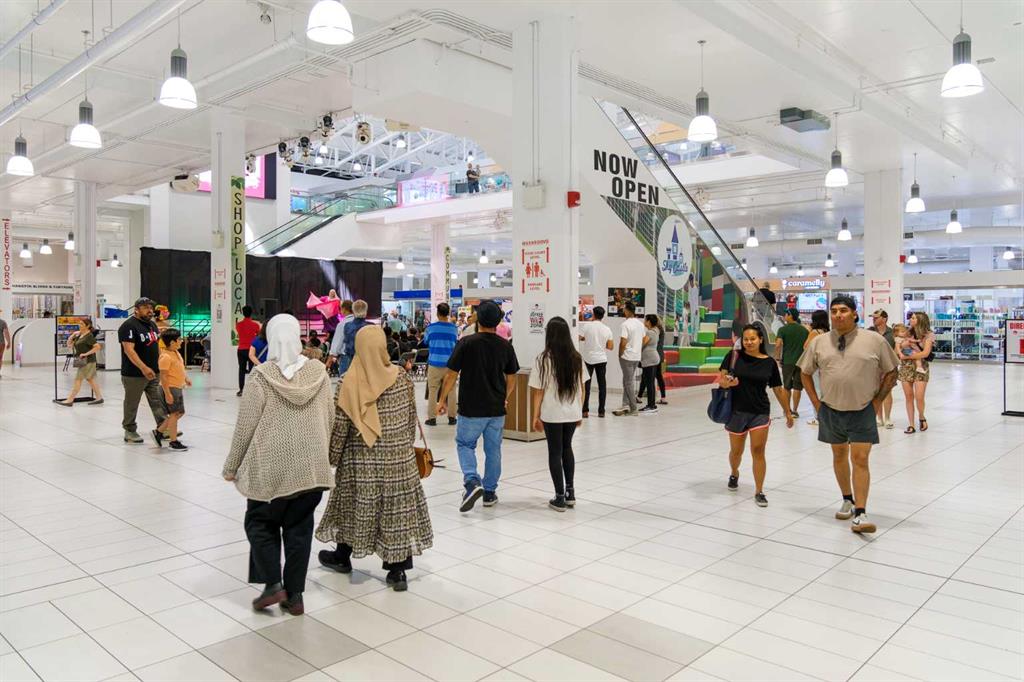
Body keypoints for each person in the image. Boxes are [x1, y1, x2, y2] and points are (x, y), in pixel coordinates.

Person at [223, 314, 334, 615]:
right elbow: (330, 416)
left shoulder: (261, 377)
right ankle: (295, 596)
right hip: (311, 469)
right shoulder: (319, 373)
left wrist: (231, 467)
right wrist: (323, 454)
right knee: (299, 529)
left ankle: (272, 583)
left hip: (270, 468)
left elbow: (245, 427)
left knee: (260, 523)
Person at [316, 326, 433, 592]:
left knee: (351, 506)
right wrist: (402, 448)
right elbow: (410, 419)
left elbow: (340, 428)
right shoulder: (402, 378)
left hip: (360, 461)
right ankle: (397, 571)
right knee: (396, 514)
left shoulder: (349, 382)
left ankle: (342, 556)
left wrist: (332, 458)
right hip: (398, 463)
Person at [798, 295, 899, 534]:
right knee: (839, 455)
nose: (838, 315)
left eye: (843, 310)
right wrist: (816, 404)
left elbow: (892, 371)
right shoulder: (819, 342)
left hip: (863, 409)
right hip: (831, 409)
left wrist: (877, 402)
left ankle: (861, 513)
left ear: (855, 313)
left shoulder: (874, 340)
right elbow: (804, 372)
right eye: (834, 311)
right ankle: (847, 499)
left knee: (860, 459)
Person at [437, 300, 520, 512]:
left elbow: (451, 375)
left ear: (478, 320)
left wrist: (442, 400)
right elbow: (512, 377)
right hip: (496, 409)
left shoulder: (466, 343)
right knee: (493, 450)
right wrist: (505, 396)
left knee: (465, 444)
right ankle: (490, 492)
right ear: (498, 321)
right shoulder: (505, 346)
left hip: (471, 407)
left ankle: (472, 481)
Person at [718, 324, 794, 507]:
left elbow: (777, 388)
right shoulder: (733, 356)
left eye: (753, 339)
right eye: (745, 339)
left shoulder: (769, 363)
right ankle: (734, 472)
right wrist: (728, 383)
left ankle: (759, 491)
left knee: (758, 451)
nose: (749, 342)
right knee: (736, 452)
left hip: (760, 411)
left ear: (760, 340)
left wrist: (788, 411)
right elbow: (721, 381)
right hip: (737, 411)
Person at [529, 317, 584, 512]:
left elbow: (538, 392)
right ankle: (570, 493)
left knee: (555, 451)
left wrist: (535, 416)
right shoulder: (576, 358)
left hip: (552, 413)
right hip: (572, 412)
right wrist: (580, 411)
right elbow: (582, 387)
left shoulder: (543, 359)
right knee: (567, 448)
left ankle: (559, 497)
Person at [119, 297, 168, 444]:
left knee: (157, 400)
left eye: (151, 308)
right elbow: (129, 350)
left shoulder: (152, 325)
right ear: (136, 309)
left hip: (154, 371)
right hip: (134, 374)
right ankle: (130, 430)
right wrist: (143, 367)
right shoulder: (128, 326)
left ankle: (163, 428)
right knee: (132, 403)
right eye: (146, 308)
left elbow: (156, 346)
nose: (150, 311)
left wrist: (161, 364)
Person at [154, 328, 191, 451]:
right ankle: (173, 442)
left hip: (177, 387)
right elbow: (163, 377)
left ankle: (159, 432)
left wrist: (186, 378)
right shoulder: (165, 357)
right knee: (174, 414)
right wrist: (167, 393)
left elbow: (179, 368)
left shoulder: (176, 353)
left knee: (179, 413)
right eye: (179, 339)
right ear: (172, 342)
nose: (181, 341)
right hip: (170, 388)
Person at [899, 312, 935, 434]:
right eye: (911, 318)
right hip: (906, 367)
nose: (911, 319)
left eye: (914, 318)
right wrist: (904, 346)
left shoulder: (929, 335)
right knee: (909, 396)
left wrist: (908, 356)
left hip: (921, 367)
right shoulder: (907, 332)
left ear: (920, 320)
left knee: (919, 397)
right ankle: (911, 424)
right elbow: (899, 346)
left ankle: (921, 416)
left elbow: (925, 353)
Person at [424, 302, 459, 426]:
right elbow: (456, 343)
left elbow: (426, 341)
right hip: (450, 365)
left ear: (438, 314)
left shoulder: (430, 328)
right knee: (451, 390)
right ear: (448, 313)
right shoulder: (454, 328)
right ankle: (452, 417)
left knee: (433, 390)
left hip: (434, 363)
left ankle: (432, 418)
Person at [58, 317, 104, 406]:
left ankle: (70, 399)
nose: (80, 325)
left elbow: (97, 347)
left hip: (88, 361)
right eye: (79, 323)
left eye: (82, 324)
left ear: (88, 326)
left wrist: (86, 354)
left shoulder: (89, 336)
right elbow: (69, 345)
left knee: (78, 379)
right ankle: (99, 397)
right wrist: (72, 335)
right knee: (90, 379)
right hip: (80, 360)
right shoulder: (80, 335)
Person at [579, 305, 613, 418]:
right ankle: (601, 411)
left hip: (588, 359)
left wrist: (588, 340)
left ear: (593, 314)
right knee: (602, 386)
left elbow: (580, 338)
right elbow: (610, 346)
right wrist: (601, 344)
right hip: (601, 359)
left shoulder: (587, 326)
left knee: (586, 386)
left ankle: (585, 411)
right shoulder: (607, 329)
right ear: (603, 316)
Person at [612, 300, 645, 417]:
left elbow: (623, 342)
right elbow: (644, 339)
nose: (623, 310)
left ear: (627, 310)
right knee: (627, 380)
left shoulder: (625, 324)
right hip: (636, 356)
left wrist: (620, 354)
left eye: (624, 309)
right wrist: (637, 348)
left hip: (627, 356)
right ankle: (625, 404)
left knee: (628, 382)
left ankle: (634, 408)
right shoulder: (640, 324)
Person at [774, 309, 809, 418]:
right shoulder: (804, 330)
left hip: (788, 362)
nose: (784, 316)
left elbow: (778, 345)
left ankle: (787, 410)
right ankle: (795, 410)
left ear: (790, 315)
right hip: (800, 362)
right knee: (798, 387)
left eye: (786, 314)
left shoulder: (783, 329)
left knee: (787, 386)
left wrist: (777, 358)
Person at [869, 309, 896, 428]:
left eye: (877, 317)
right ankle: (879, 418)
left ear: (884, 319)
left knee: (887, 391)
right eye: (873, 317)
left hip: (889, 366)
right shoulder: (870, 332)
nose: (874, 319)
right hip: (873, 366)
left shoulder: (892, 333)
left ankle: (888, 418)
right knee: (876, 393)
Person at [803, 310, 830, 426]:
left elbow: (805, 347)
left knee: (816, 390)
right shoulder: (828, 332)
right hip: (826, 364)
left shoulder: (814, 332)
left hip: (816, 365)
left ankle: (818, 416)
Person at [638, 314, 668, 407]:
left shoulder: (652, 332)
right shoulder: (657, 330)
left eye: (645, 320)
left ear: (650, 321)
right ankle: (656, 399)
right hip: (657, 356)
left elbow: (643, 344)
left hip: (652, 357)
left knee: (649, 380)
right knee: (651, 379)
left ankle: (649, 403)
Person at [236, 305, 261, 397]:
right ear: (251, 313)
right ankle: (251, 390)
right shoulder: (255, 325)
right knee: (252, 371)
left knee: (241, 370)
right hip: (251, 350)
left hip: (241, 349)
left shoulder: (238, 325)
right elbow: (259, 335)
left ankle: (241, 390)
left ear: (243, 313)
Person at [327, 299, 354, 370]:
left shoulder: (342, 324)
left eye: (340, 308)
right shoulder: (359, 323)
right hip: (359, 357)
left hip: (346, 356)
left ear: (344, 309)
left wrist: (330, 357)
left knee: (345, 377)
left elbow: (337, 343)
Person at [0, 310, 10, 379]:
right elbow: (6, 333)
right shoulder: (3, 322)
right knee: (0, 358)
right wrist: (9, 342)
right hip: (1, 343)